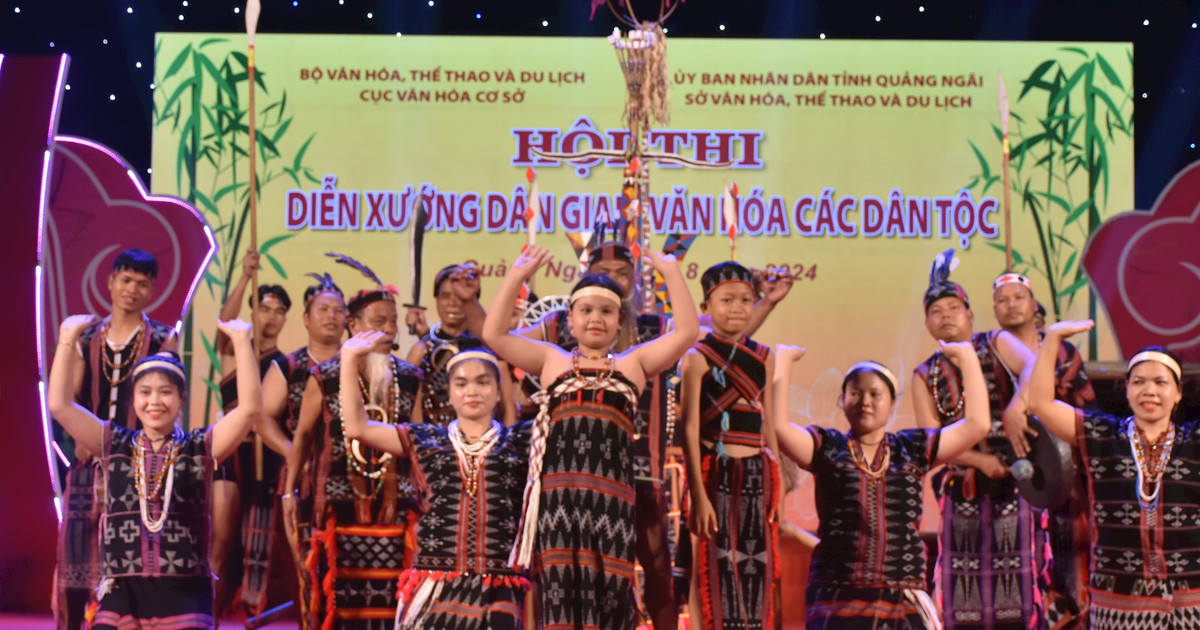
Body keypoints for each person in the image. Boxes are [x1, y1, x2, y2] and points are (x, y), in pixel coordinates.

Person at [514, 242, 793, 630]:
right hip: (571, 478)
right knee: (566, 574)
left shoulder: (652, 328)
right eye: (603, 271)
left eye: (622, 273)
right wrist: (516, 278)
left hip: (636, 470)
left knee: (652, 570)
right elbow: (499, 338)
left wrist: (764, 304)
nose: (612, 279)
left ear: (632, 287)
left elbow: (714, 335)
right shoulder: (561, 327)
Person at [482, 245, 699, 630]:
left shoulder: (633, 364)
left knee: (611, 596)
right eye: (586, 310)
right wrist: (515, 275)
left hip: (612, 502)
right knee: (561, 595)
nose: (595, 319)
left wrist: (670, 271)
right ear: (571, 319)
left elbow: (687, 331)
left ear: (619, 322)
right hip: (559, 501)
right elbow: (494, 335)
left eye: (606, 311)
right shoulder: (553, 360)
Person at [47, 316, 260, 630]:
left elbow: (250, 410)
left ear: (181, 399)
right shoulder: (114, 442)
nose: (155, 401)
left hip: (185, 591)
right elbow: (59, 405)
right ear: (134, 400)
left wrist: (242, 343)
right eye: (145, 392)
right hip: (123, 593)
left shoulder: (200, 447)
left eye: (166, 392)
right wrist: (67, 339)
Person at [772, 342, 989, 629]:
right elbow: (779, 428)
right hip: (837, 595)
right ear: (842, 400)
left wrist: (966, 356)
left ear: (892, 403)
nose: (866, 401)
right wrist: (783, 362)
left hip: (902, 595)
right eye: (856, 393)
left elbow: (977, 425)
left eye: (876, 394)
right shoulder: (827, 447)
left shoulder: (912, 448)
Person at [341, 341, 531, 629]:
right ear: (450, 393)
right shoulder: (425, 440)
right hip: (434, 583)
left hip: (499, 584)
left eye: (483, 382)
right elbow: (358, 427)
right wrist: (348, 358)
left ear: (498, 391)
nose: (472, 391)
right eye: (461, 383)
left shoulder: (521, 441)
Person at [284, 254, 424, 630]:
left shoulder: (411, 376)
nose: (390, 329)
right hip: (335, 507)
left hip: (397, 509)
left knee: (396, 603)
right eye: (379, 321)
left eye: (393, 321)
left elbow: (421, 442)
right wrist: (287, 493)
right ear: (353, 325)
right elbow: (301, 438)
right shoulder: (324, 376)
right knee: (333, 603)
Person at [1028, 324, 1197, 627]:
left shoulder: (1194, 440)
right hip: (1118, 604)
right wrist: (1052, 339)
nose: (1150, 391)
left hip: (1191, 601)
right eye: (1139, 382)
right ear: (1127, 389)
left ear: (1178, 393)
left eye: (1161, 382)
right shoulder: (1101, 435)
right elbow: (1040, 403)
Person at [910, 250, 1038, 629]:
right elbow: (931, 439)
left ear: (969, 315)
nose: (946, 315)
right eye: (937, 311)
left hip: (1019, 481)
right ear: (927, 323)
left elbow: (1033, 364)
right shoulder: (925, 374)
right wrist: (980, 461)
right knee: (962, 590)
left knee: (1019, 587)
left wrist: (1018, 403)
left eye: (954, 307)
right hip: (962, 486)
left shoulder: (996, 342)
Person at [54, 248, 178, 630]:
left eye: (142, 283)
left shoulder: (163, 338)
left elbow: (168, 403)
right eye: (126, 280)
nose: (132, 289)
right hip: (87, 462)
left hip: (137, 464)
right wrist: (80, 438)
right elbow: (67, 398)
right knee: (76, 559)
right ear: (110, 282)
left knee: (129, 560)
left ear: (152, 289)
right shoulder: (87, 336)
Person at [681, 261, 781, 630]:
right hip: (714, 471)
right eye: (726, 300)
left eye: (745, 300)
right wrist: (699, 494)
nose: (737, 308)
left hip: (757, 472)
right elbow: (690, 428)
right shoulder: (696, 356)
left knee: (757, 567)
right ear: (706, 308)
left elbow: (767, 420)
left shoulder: (763, 357)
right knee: (711, 566)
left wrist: (780, 481)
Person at [992, 271, 1094, 629]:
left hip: (1066, 473)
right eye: (1002, 300)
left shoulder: (1063, 352)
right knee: (1027, 567)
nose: (1010, 305)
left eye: (1018, 297)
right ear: (994, 310)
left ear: (1033, 304)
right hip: (1015, 476)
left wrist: (1018, 408)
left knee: (1072, 560)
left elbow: (1086, 409)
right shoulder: (991, 355)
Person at [210, 249, 293, 616]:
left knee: (260, 535)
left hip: (266, 454)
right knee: (222, 535)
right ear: (254, 311)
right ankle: (206, 608)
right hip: (230, 453)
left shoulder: (284, 364)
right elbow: (224, 325)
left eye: (278, 311)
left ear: (287, 318)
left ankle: (251, 606)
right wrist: (245, 276)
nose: (271, 317)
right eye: (264, 308)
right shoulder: (234, 349)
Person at [266, 272, 347, 623]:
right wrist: (291, 452)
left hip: (349, 479)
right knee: (306, 567)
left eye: (339, 310)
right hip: (303, 478)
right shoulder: (289, 366)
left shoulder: (357, 362)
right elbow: (260, 417)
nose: (331, 316)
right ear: (306, 318)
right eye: (323, 309)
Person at [406, 264, 516, 426]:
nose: (453, 303)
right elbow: (410, 406)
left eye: (460, 296)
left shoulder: (490, 350)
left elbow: (508, 407)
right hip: (435, 442)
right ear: (435, 298)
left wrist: (507, 444)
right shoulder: (421, 350)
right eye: (445, 296)